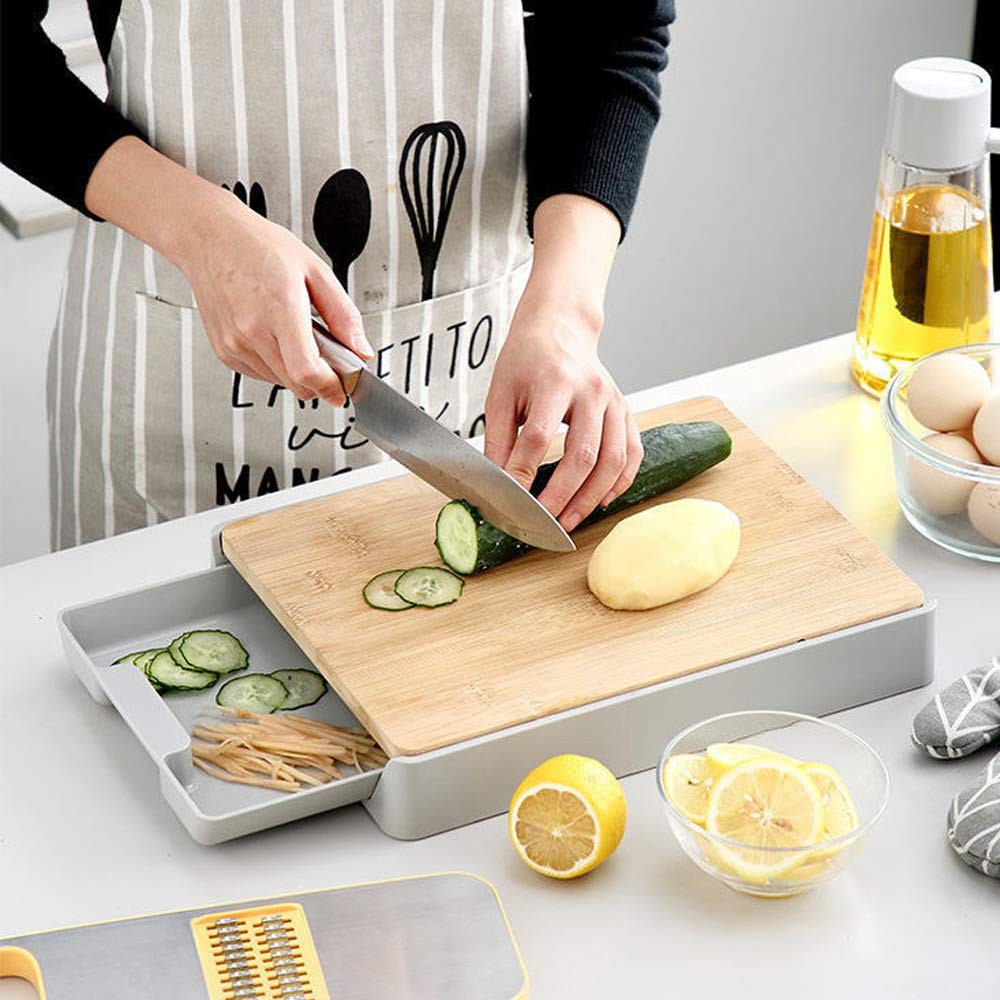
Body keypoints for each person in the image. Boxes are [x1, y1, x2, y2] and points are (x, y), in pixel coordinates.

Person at [1, 1, 674, 549]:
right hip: (173, 392)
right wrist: (203, 232)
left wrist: (567, 311)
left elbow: (610, 33)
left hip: (475, 381)